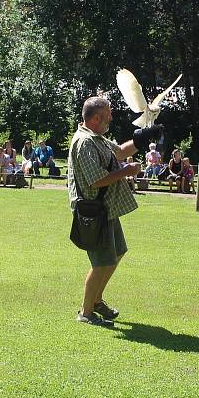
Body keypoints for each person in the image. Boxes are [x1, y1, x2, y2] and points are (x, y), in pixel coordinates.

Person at [68, 96, 160, 326]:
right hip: (93, 212)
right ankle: (86, 313)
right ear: (96, 117)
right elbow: (95, 180)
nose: (112, 116)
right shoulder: (85, 142)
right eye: (108, 113)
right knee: (102, 263)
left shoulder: (96, 138)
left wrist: (143, 138)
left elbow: (119, 151)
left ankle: (96, 300)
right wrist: (126, 171)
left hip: (105, 209)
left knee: (116, 253)